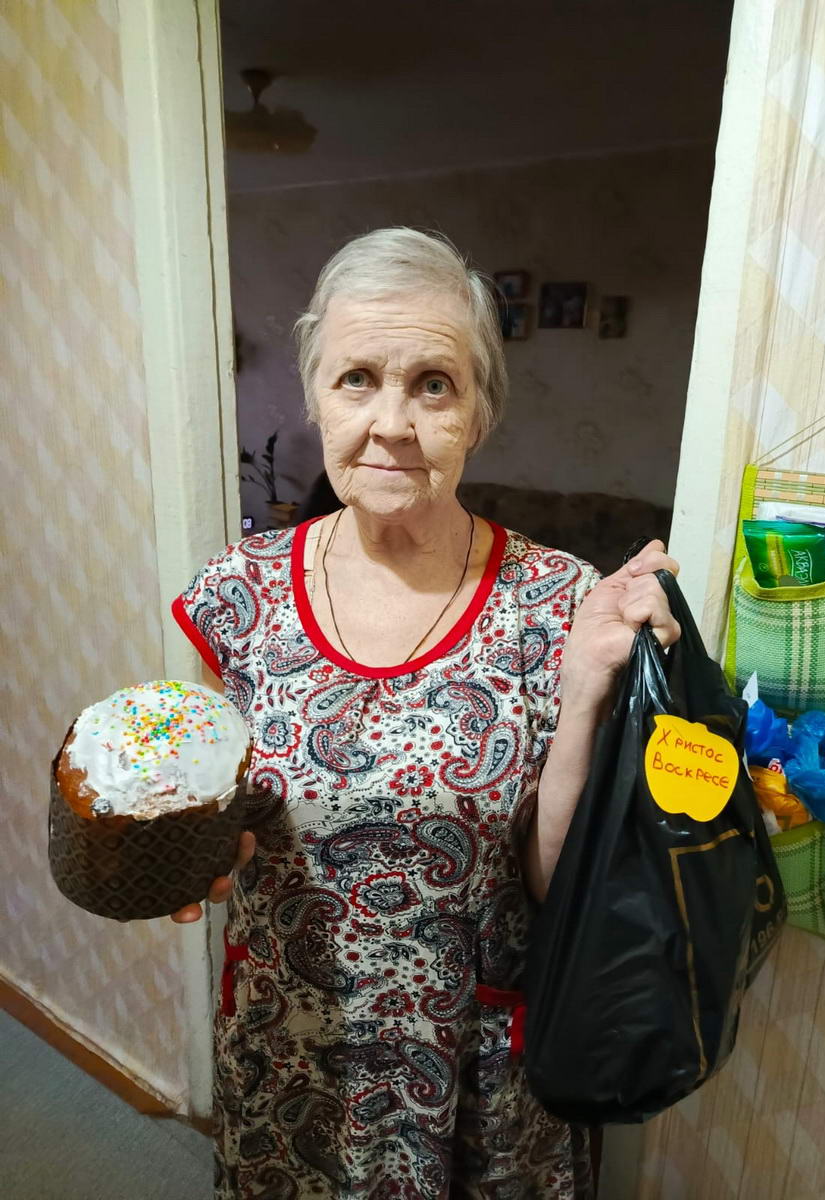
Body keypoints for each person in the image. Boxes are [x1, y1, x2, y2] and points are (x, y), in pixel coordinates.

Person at [170, 228, 680, 1198]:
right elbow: (209, 816)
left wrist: (584, 694)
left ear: (479, 412)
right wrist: (181, 851)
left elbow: (556, 881)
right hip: (292, 1051)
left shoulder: (556, 602)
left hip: (477, 1066)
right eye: (357, 379)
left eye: (434, 385)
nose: (392, 423)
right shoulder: (236, 596)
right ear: (315, 395)